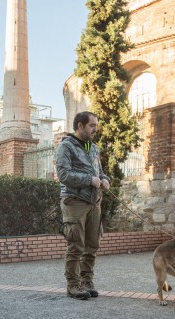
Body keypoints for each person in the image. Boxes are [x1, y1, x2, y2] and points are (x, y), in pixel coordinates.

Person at [55, 111, 110, 300]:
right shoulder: (66, 146)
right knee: (76, 245)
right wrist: (90, 180)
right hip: (75, 201)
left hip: (94, 202)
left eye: (96, 125)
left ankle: (87, 281)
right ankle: (73, 285)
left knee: (92, 245)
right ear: (80, 126)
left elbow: (100, 171)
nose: (96, 129)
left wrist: (104, 179)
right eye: (92, 125)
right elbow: (64, 176)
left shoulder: (93, 148)